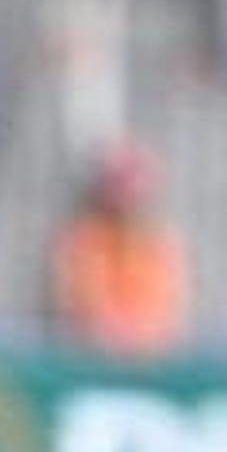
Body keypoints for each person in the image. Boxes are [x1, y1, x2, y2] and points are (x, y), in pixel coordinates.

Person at [49, 141, 186, 357]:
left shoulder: (157, 243)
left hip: (147, 356)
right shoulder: (84, 240)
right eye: (120, 189)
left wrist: (142, 336)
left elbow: (166, 309)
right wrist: (110, 332)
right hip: (93, 355)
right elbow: (79, 303)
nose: (128, 201)